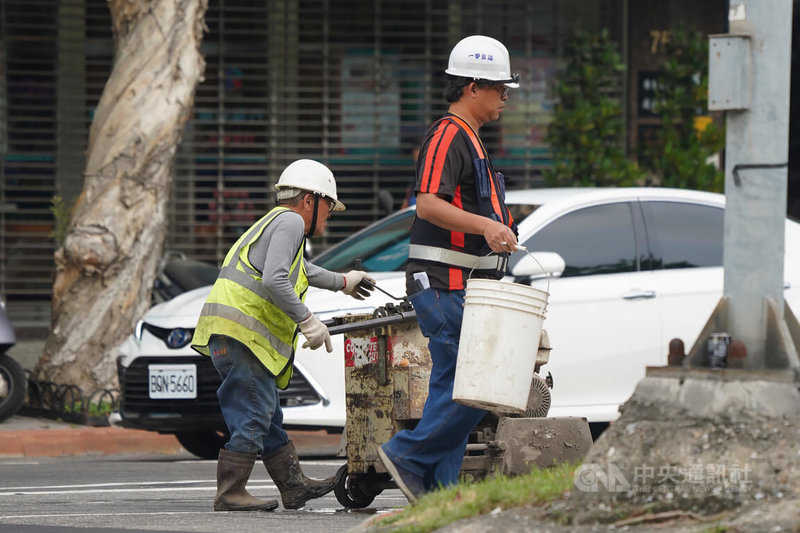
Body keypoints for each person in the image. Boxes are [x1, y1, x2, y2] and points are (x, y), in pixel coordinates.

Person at [377, 35, 520, 503]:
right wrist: (487, 225)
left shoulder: (471, 139)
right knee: (476, 388)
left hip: (459, 283)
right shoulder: (448, 134)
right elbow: (427, 205)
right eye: (500, 89)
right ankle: (408, 455)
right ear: (472, 86)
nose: (504, 98)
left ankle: (440, 492)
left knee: (452, 386)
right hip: (442, 282)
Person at [191, 159, 375, 512]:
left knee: (267, 414)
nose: (328, 217)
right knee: (254, 412)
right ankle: (230, 493)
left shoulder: (274, 222)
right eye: (328, 208)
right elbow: (276, 279)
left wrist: (343, 282)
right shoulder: (291, 221)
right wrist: (308, 321)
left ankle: (293, 487)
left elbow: (300, 270)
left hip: (233, 336)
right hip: (241, 336)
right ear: (309, 200)